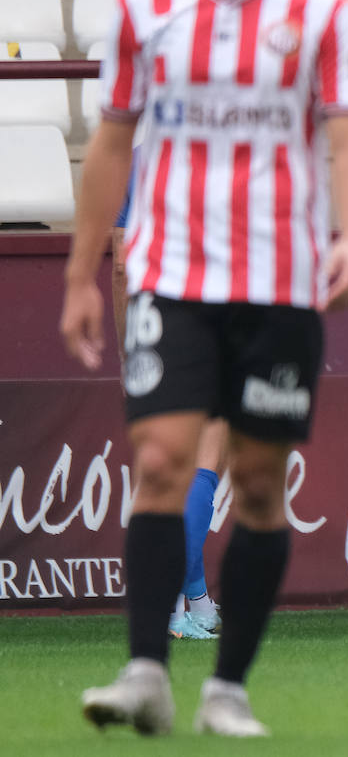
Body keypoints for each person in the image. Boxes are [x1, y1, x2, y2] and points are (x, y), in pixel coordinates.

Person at [60, 0, 348, 737]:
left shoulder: (324, 10)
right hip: (172, 274)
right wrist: (82, 272)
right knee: (162, 462)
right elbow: (112, 141)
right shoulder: (144, 5)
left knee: (261, 485)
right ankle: (145, 673)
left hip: (280, 283)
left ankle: (227, 688)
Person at [112, 165, 227, 641]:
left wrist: (128, 351)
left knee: (167, 468)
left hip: (153, 326)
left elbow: (122, 265)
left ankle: (195, 600)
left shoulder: (138, 161)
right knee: (204, 464)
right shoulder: (230, 153)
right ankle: (170, 606)